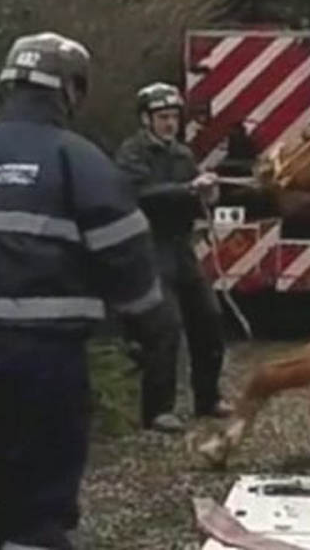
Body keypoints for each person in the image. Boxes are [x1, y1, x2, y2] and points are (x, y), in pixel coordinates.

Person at [0, 32, 167, 550]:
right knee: (42, 498)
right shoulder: (79, 161)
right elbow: (127, 258)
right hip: (43, 360)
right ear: (70, 90)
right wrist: (149, 332)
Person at [115, 82, 233, 433]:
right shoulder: (132, 154)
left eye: (174, 118)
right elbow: (136, 194)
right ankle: (157, 409)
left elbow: (192, 197)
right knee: (165, 326)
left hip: (180, 245)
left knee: (209, 318)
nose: (170, 124)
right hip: (149, 246)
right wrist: (186, 190)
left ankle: (208, 398)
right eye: (163, 117)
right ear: (146, 119)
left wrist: (208, 195)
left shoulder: (182, 155)